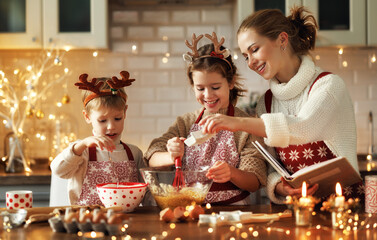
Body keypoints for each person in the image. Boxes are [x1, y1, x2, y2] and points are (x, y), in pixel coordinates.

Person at [198, 7, 362, 204]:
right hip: (297, 211)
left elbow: (303, 127)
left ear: (282, 40)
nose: (250, 63)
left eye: (254, 50)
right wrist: (279, 186)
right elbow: (272, 165)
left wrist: (237, 122)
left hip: (343, 210)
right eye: (245, 56)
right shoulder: (265, 103)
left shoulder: (328, 85)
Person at [144, 32, 267, 205]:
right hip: (190, 207)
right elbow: (151, 156)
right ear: (192, 86)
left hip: (233, 210)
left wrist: (231, 173)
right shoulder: (185, 123)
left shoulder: (245, 126)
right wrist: (171, 155)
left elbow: (254, 181)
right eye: (200, 88)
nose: (208, 95)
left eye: (215, 87)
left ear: (230, 83)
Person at [50, 71, 152, 206]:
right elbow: (58, 170)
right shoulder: (82, 151)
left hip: (127, 220)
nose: (111, 126)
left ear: (125, 112)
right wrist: (82, 145)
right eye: (102, 120)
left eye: (117, 118)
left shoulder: (135, 153)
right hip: (88, 220)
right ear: (87, 117)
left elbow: (147, 194)